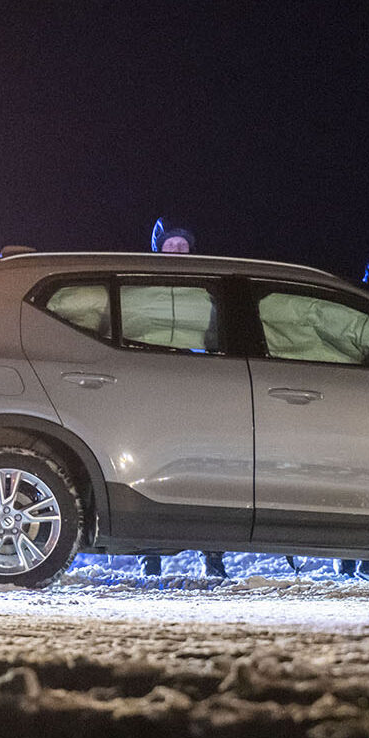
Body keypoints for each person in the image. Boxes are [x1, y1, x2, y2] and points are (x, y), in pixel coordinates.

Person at [140, 217, 227, 580]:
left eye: (183, 245)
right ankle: (150, 559)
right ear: (158, 248)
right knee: (150, 473)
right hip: (154, 390)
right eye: (170, 244)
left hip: (197, 390)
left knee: (205, 473)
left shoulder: (205, 289)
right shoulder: (143, 287)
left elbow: (219, 334)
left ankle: (213, 557)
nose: (177, 250)